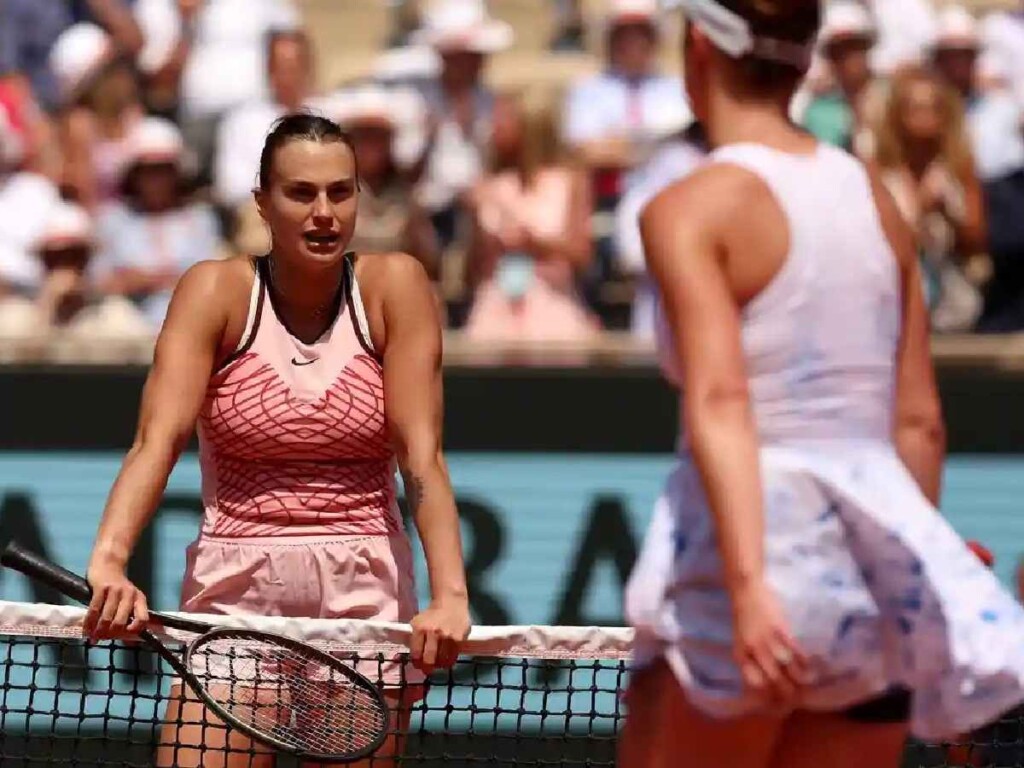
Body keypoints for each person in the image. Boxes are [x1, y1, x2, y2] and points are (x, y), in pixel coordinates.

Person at [620, 2, 1024, 768]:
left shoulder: (688, 208)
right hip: (867, 579)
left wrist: (748, 588)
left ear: (698, 45)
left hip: (743, 561)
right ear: (807, 59)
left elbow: (720, 401)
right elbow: (920, 423)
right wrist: (907, 579)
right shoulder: (876, 201)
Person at [82, 113, 471, 768]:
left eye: (340, 192)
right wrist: (110, 561)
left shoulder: (395, 287)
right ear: (262, 201)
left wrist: (452, 594)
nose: (324, 213)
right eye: (301, 193)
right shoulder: (212, 291)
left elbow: (422, 458)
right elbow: (155, 441)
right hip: (233, 589)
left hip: (365, 590)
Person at [464, 93, 598, 343]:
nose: (495, 126)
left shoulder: (569, 182)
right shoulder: (488, 185)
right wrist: (478, 226)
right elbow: (473, 270)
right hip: (495, 306)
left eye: (503, 118)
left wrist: (533, 243)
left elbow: (582, 254)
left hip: (553, 305)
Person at [872, 65, 987, 333]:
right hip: (893, 297)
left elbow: (977, 241)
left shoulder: (959, 167)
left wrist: (949, 214)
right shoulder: (880, 170)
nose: (924, 117)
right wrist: (921, 207)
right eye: (914, 108)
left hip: (951, 299)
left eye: (933, 108)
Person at [93, 116, 221, 330]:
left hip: (191, 323)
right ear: (133, 175)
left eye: (163, 170)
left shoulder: (200, 219)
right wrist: (134, 282)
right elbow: (101, 283)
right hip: (129, 328)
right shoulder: (114, 220)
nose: (156, 180)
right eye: (148, 171)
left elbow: (212, 281)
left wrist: (153, 280)